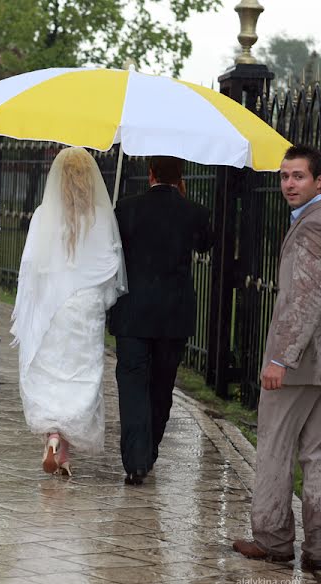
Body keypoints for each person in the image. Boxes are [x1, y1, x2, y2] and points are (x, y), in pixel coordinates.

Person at [233, 144, 321, 572]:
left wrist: (280, 359)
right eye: (285, 176)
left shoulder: (312, 229)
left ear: (319, 181)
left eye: (298, 176)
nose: (288, 183)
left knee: (274, 446)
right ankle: (319, 550)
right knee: (320, 452)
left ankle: (273, 540)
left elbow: (303, 300)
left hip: (301, 363)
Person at [11, 147, 127, 476]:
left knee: (51, 374)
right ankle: (64, 452)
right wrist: (100, 299)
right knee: (79, 375)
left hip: (54, 308)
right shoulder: (102, 217)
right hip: (85, 309)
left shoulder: (43, 215)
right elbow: (110, 268)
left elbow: (31, 266)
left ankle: (53, 438)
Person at [109, 156, 212, 485]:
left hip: (133, 313)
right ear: (181, 177)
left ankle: (136, 460)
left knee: (132, 383)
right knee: (162, 385)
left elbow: (112, 251)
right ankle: (149, 450)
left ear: (150, 173)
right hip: (173, 315)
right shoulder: (194, 212)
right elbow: (207, 245)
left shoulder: (125, 209)